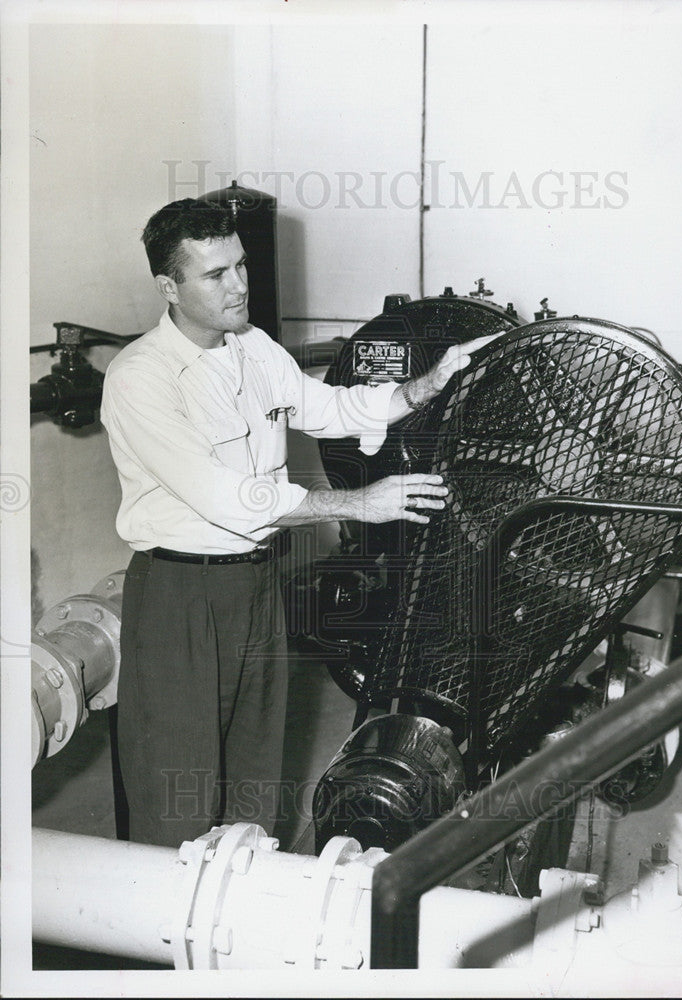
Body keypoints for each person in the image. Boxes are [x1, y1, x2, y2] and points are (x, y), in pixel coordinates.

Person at [101, 197, 495, 847]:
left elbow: (333, 408)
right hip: (180, 595)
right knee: (177, 784)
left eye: (241, 265)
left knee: (257, 774)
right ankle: (159, 933)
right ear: (168, 287)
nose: (239, 285)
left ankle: (250, 915)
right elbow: (224, 497)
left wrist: (429, 383)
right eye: (215, 274)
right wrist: (359, 503)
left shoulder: (254, 348)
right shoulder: (142, 377)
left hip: (256, 584)